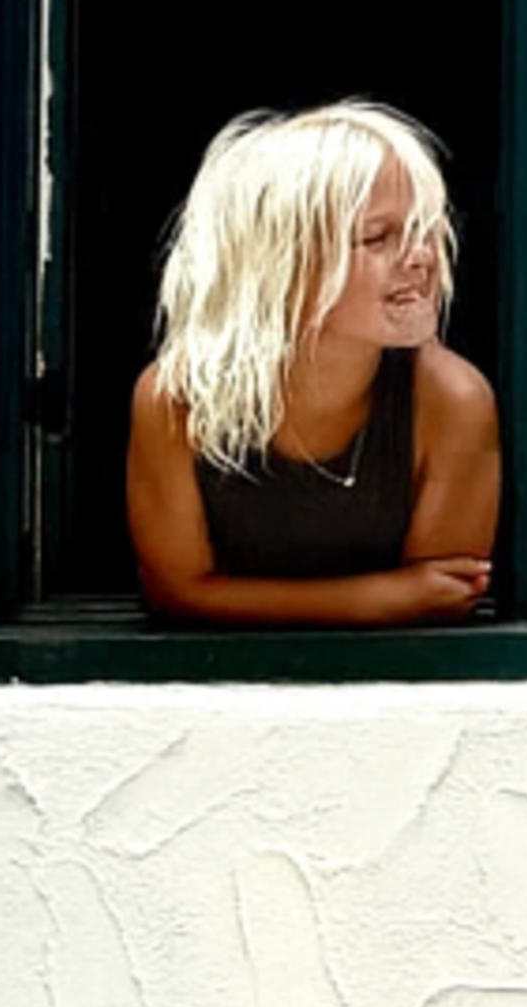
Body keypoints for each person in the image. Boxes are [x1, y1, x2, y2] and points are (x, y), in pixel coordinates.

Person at [125, 100, 501, 628]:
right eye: (376, 237)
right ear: (280, 265)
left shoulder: (452, 399)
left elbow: (443, 597)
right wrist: (374, 600)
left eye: (427, 229)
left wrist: (235, 600)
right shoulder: (178, 397)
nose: (421, 255)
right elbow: (174, 592)